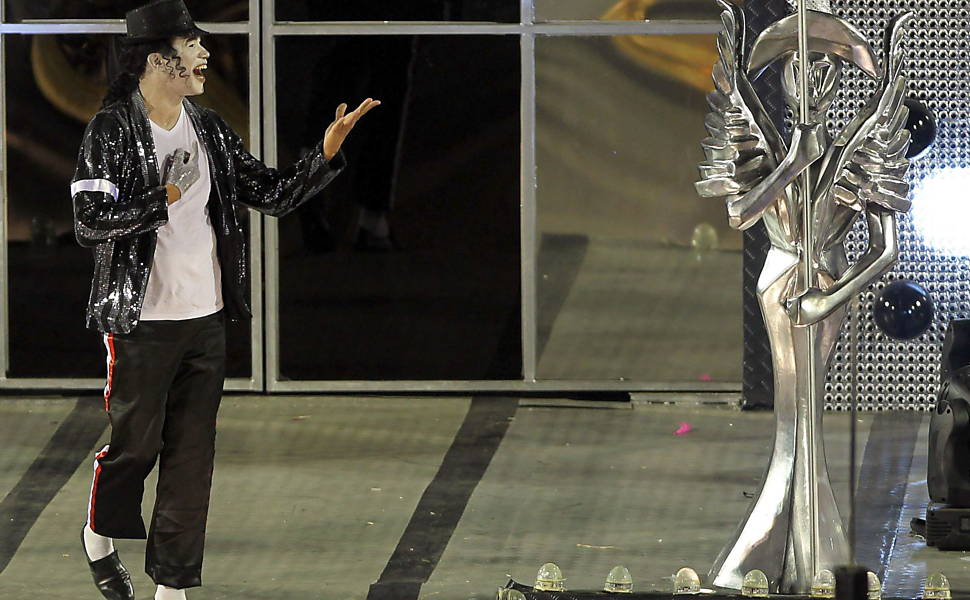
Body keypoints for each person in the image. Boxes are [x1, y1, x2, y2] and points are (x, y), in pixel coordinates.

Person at [70, 2, 379, 599]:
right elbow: (89, 221)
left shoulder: (207, 128)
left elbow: (268, 191)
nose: (205, 54)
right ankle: (97, 534)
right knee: (135, 446)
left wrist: (326, 154)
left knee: (190, 459)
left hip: (206, 321)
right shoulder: (110, 131)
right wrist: (161, 197)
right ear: (157, 57)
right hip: (141, 322)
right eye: (192, 45)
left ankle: (173, 589)